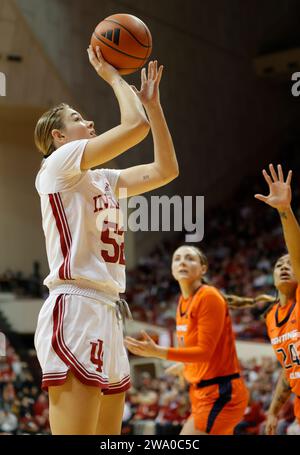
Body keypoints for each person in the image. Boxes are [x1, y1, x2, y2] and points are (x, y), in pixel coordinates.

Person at [34, 45, 179, 435]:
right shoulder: (58, 165)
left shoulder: (103, 179)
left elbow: (166, 170)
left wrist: (154, 107)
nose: (90, 121)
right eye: (78, 118)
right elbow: (134, 128)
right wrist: (114, 76)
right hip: (76, 305)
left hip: (109, 310)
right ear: (59, 135)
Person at [125, 245, 249, 435]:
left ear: (203, 269)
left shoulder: (208, 296)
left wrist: (157, 351)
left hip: (222, 394)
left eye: (190, 258)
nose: (182, 261)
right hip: (202, 394)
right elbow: (202, 352)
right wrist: (184, 365)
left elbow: (204, 351)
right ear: (172, 270)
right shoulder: (182, 302)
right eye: (177, 258)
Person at [228, 164, 300, 435]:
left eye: (289, 263)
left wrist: (284, 209)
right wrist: (272, 410)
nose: (284, 266)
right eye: (279, 264)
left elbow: (297, 253)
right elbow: (288, 370)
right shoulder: (271, 317)